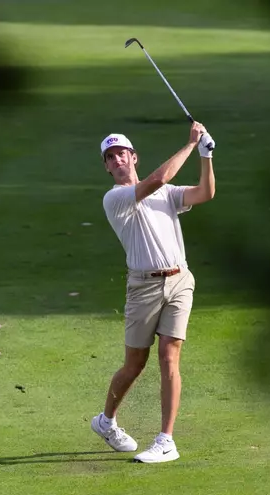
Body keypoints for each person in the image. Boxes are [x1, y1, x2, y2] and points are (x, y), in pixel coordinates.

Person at [91, 121, 215, 463]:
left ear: (134, 157)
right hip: (143, 286)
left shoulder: (166, 194)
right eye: (110, 157)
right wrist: (191, 144)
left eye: (122, 154)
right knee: (134, 364)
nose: (117, 160)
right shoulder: (115, 198)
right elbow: (157, 180)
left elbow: (205, 193)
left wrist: (206, 156)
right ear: (106, 166)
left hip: (180, 281)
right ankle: (107, 421)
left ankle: (166, 440)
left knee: (169, 355)